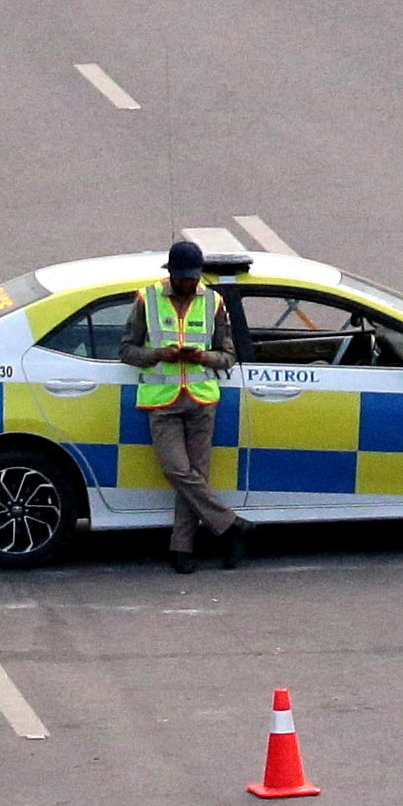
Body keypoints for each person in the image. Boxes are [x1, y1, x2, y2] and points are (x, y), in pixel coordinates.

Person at [137, 237, 245, 574]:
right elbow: (126, 350)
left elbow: (228, 356)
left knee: (196, 476)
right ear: (171, 275)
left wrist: (201, 357)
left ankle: (181, 547)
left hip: (201, 400)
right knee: (176, 470)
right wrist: (159, 354)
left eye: (194, 277)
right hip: (163, 402)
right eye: (183, 277)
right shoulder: (147, 299)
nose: (189, 283)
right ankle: (230, 525)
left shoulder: (213, 302)